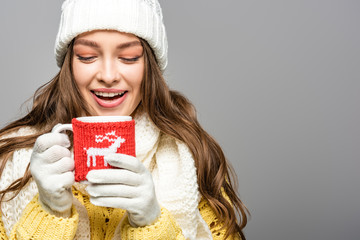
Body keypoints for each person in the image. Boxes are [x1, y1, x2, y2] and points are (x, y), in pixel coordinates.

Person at [0, 0, 249, 239]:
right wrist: (49, 210)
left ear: (149, 67)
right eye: (87, 56)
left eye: (129, 57)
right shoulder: (9, 159)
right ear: (69, 65)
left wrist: (151, 223)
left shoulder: (195, 154)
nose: (108, 76)